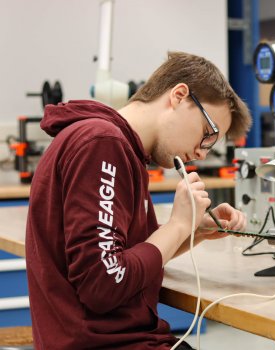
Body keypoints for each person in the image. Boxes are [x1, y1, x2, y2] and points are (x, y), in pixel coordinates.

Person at [25, 51, 252, 349]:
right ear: (179, 96)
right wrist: (178, 225)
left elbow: (127, 255)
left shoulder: (122, 149)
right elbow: (104, 284)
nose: (202, 152)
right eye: (207, 134)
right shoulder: (102, 144)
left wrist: (193, 232)